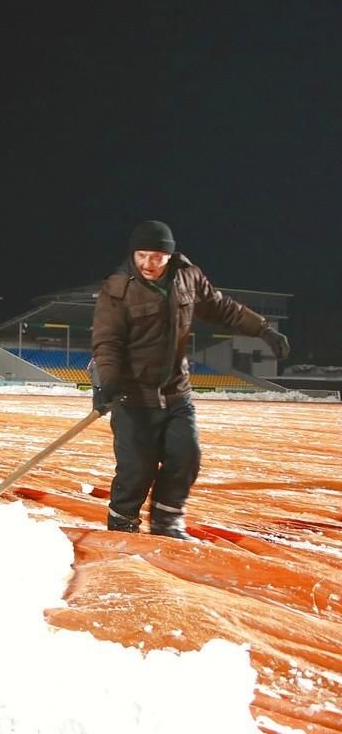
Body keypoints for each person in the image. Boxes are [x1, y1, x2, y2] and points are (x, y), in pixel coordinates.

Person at [91, 220, 291, 539]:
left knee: (186, 457)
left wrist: (263, 330)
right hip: (133, 395)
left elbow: (222, 308)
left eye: (156, 256)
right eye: (141, 255)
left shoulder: (188, 277)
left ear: (169, 255)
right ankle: (122, 523)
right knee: (137, 468)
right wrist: (109, 381)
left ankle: (167, 521)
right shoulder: (118, 288)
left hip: (175, 391)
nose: (148, 264)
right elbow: (108, 341)